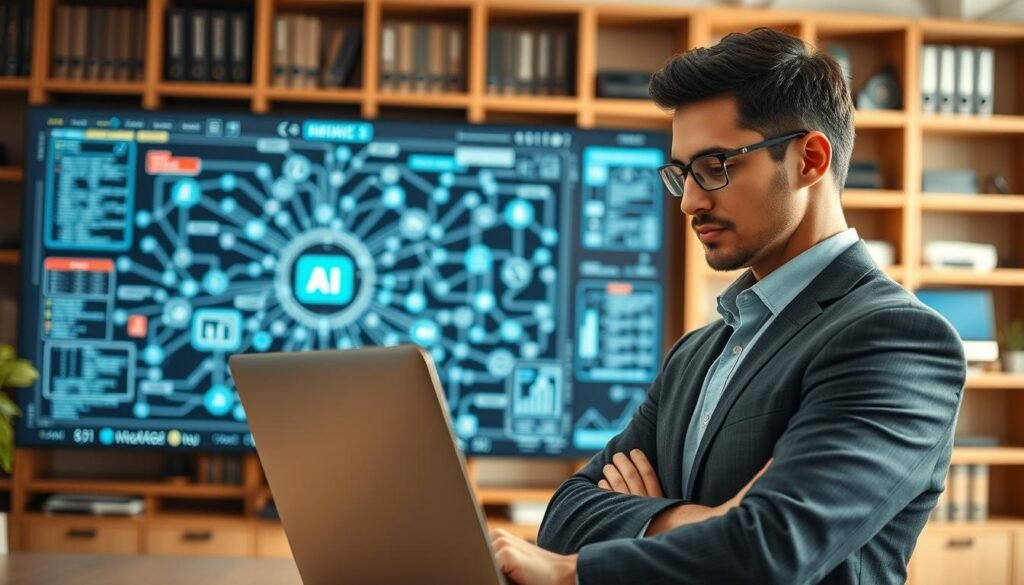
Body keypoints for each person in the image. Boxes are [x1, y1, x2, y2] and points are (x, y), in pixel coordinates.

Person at [489, 27, 966, 585]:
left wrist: (574, 572)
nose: (690, 200)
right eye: (682, 173)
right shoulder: (697, 352)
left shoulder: (895, 338)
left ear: (809, 159)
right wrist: (707, 520)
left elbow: (772, 548)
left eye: (715, 165)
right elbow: (566, 515)